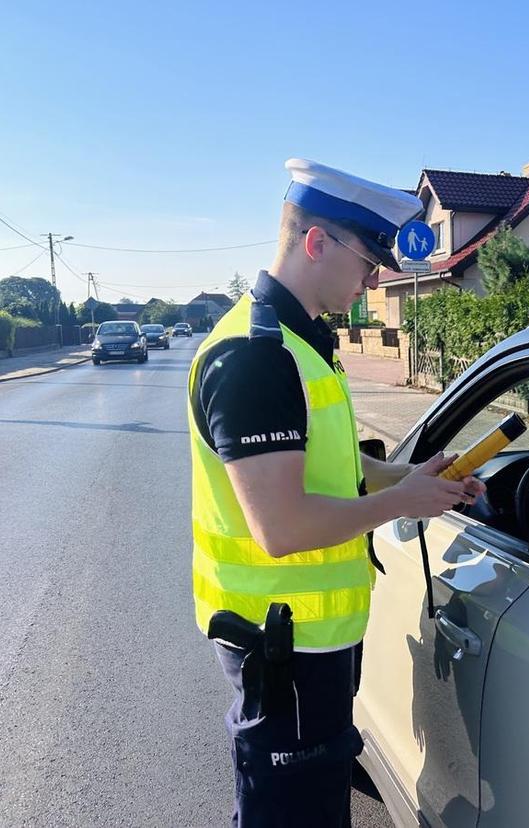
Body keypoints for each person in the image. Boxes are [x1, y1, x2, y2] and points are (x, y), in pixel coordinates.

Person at [186, 158, 485, 826]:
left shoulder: (298, 343)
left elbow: (336, 472)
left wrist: (412, 476)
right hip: (282, 648)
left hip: (310, 643)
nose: (375, 277)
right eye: (367, 259)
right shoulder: (257, 357)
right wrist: (403, 504)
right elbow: (282, 527)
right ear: (316, 242)